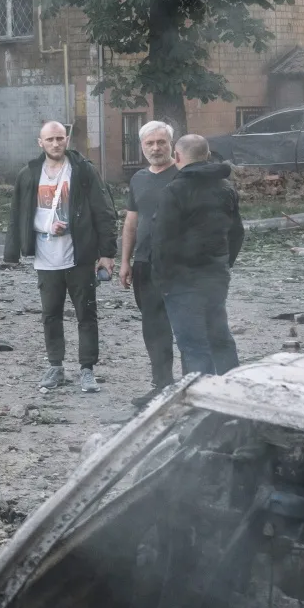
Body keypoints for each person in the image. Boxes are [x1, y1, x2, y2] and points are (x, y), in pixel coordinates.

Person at [5, 120, 116, 392]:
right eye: (50, 139)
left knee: (86, 315)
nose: (56, 143)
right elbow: (18, 215)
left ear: (67, 140)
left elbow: (103, 210)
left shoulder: (82, 171)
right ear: (40, 143)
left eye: (60, 138)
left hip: (79, 256)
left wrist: (107, 253)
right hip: (46, 258)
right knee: (50, 314)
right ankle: (55, 367)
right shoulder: (29, 174)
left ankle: (87, 370)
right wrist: (15, 250)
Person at [152, 134, 245, 376]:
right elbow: (237, 234)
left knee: (194, 347)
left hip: (182, 283)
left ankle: (204, 405)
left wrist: (163, 281)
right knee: (220, 337)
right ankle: (234, 398)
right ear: (207, 156)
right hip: (216, 278)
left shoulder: (173, 191)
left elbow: (162, 243)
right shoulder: (226, 188)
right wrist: (223, 264)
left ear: (178, 157)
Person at [117, 120, 180, 403]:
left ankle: (192, 388)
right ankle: (162, 386)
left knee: (186, 326)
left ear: (171, 145)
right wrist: (125, 261)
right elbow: (131, 221)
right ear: (142, 147)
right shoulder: (139, 178)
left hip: (178, 266)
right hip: (144, 264)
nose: (155, 148)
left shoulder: (183, 176)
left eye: (161, 142)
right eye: (149, 143)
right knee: (154, 328)